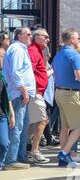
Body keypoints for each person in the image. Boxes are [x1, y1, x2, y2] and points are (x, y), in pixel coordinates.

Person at [53, 28, 80, 167]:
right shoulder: (74, 54)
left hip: (59, 92)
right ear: (71, 40)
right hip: (71, 93)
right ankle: (64, 153)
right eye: (78, 38)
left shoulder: (58, 54)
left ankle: (64, 155)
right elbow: (79, 76)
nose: (79, 40)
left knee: (65, 127)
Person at [2, 27, 36, 170]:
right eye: (28, 34)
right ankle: (11, 160)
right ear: (19, 36)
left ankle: (19, 157)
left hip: (21, 94)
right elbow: (16, 72)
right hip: (18, 94)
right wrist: (23, 90)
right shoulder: (17, 49)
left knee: (22, 126)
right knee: (16, 127)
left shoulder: (20, 49)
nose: (30, 37)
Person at [26, 28, 51, 164]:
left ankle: (25, 148)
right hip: (35, 92)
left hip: (37, 92)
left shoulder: (37, 51)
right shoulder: (33, 51)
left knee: (33, 122)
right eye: (45, 37)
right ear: (36, 37)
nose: (48, 40)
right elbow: (29, 70)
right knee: (42, 120)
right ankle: (34, 151)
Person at [0, 70, 15, 170]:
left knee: (4, 144)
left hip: (2, 114)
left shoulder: (1, 75)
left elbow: (7, 95)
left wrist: (12, 114)